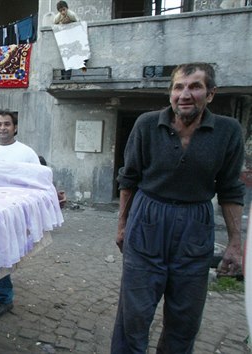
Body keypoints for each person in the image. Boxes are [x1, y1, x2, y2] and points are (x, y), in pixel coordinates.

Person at [112, 63, 245, 353]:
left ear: (210, 94)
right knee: (133, 316)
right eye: (178, 87)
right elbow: (129, 178)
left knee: (185, 319)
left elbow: (231, 189)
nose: (185, 94)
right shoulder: (147, 124)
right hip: (147, 220)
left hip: (195, 227)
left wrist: (236, 244)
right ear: (170, 93)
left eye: (194, 87)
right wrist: (122, 226)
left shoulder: (228, 131)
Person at [0, 110, 39, 318]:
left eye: (7, 124)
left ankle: (4, 298)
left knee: (1, 255)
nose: (3, 128)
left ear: (15, 127)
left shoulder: (27, 153)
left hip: (12, 215)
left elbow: (38, 181)